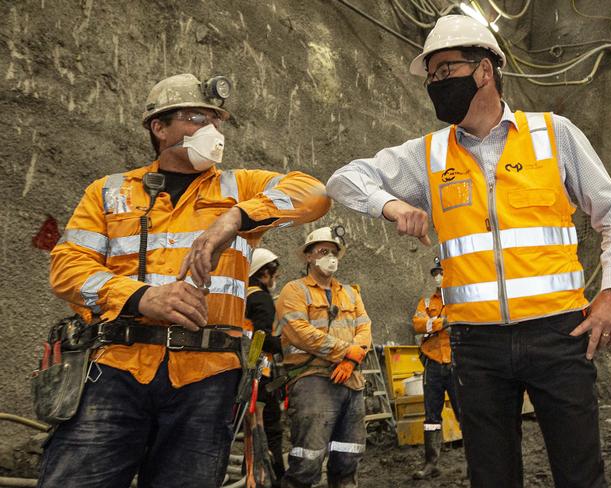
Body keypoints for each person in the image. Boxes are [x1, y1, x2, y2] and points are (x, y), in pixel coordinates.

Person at [326, 14, 611, 488]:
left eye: (445, 71)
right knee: (490, 476)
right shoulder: (428, 155)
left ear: (485, 70)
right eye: (431, 76)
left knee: (580, 473)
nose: (435, 84)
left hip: (558, 333)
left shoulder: (554, 135)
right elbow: (343, 180)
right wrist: (388, 204)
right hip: (475, 345)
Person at [43, 72, 330, 488]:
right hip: (114, 370)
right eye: (196, 117)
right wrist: (141, 297)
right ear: (159, 127)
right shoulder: (108, 192)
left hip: (207, 378)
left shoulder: (240, 188)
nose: (212, 129)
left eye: (217, 119)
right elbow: (66, 268)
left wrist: (235, 217)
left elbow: (315, 194)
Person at [275, 227, 372, 488]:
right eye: (323, 251)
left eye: (334, 252)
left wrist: (351, 360)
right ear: (308, 256)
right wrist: (344, 351)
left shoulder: (351, 293)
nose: (330, 257)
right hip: (312, 380)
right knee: (308, 460)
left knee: (348, 459)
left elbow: (364, 329)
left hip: (351, 381)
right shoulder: (294, 291)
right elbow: (300, 332)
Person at [411, 256, 460, 479]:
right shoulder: (427, 303)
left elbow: (463, 321)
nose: (438, 277)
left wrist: (435, 324)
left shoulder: (461, 298)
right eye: (435, 274)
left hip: (457, 364)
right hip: (433, 363)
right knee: (431, 418)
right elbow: (417, 324)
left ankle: (475, 462)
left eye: (441, 272)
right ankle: (431, 463)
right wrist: (442, 322)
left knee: (466, 414)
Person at [245, 247, 285, 487]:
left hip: (246, 369)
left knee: (251, 431)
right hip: (259, 373)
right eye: (273, 274)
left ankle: (253, 472)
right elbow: (260, 335)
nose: (274, 279)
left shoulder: (243, 295)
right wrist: (282, 344)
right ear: (265, 273)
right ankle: (274, 477)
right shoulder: (260, 297)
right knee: (270, 427)